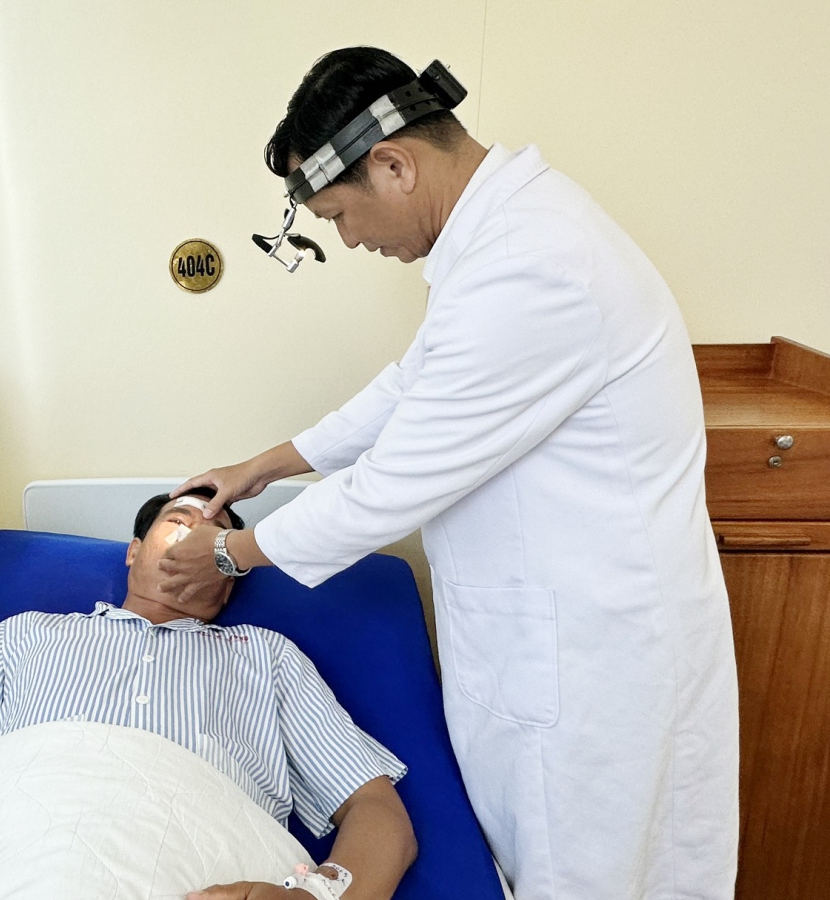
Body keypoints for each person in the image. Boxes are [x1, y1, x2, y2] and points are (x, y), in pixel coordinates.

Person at [161, 47, 739, 900]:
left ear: (394, 165)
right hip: (547, 635)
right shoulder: (502, 240)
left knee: (590, 877)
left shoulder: (530, 263)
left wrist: (227, 554)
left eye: (340, 215)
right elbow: (414, 384)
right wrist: (266, 465)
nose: (350, 240)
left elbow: (393, 484)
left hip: (591, 657)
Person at [0, 488, 417, 900]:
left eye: (218, 539)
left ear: (230, 581)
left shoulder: (268, 656)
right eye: (179, 521)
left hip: (198, 859)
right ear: (132, 551)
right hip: (3, 853)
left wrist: (322, 896)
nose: (198, 536)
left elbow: (375, 810)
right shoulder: (25, 634)